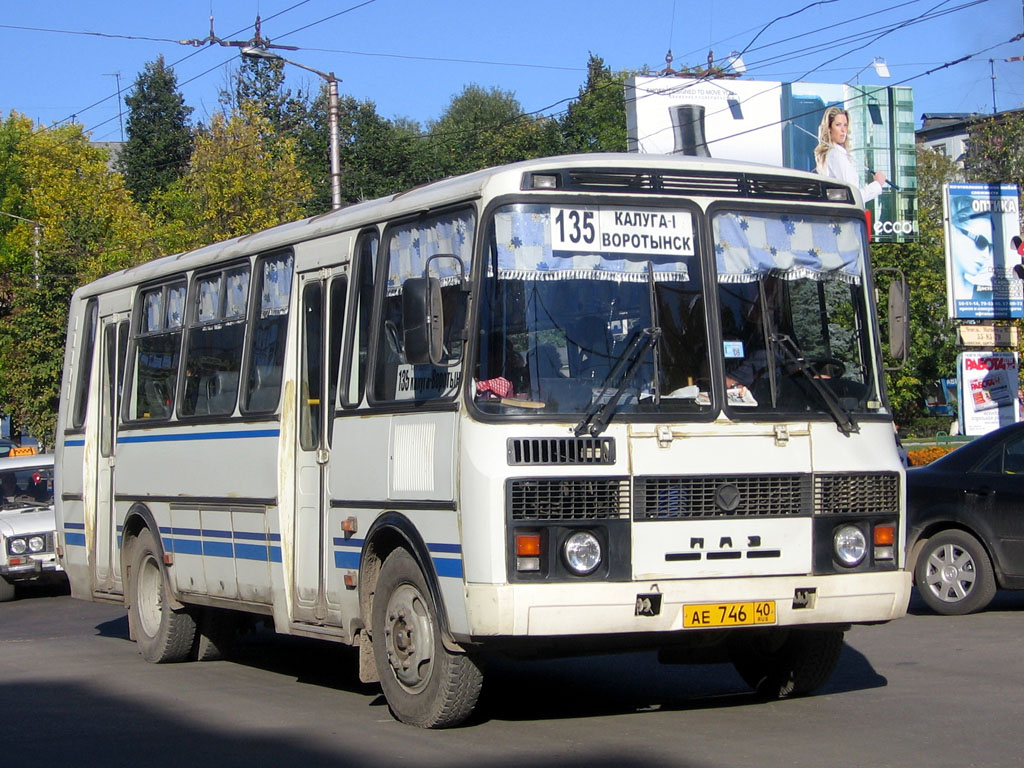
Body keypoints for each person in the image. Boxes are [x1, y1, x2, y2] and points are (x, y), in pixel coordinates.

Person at [813, 106, 886, 204]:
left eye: (845, 125)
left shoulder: (836, 154)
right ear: (829, 128)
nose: (843, 130)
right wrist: (877, 185)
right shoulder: (835, 154)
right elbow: (852, 197)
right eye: (838, 125)